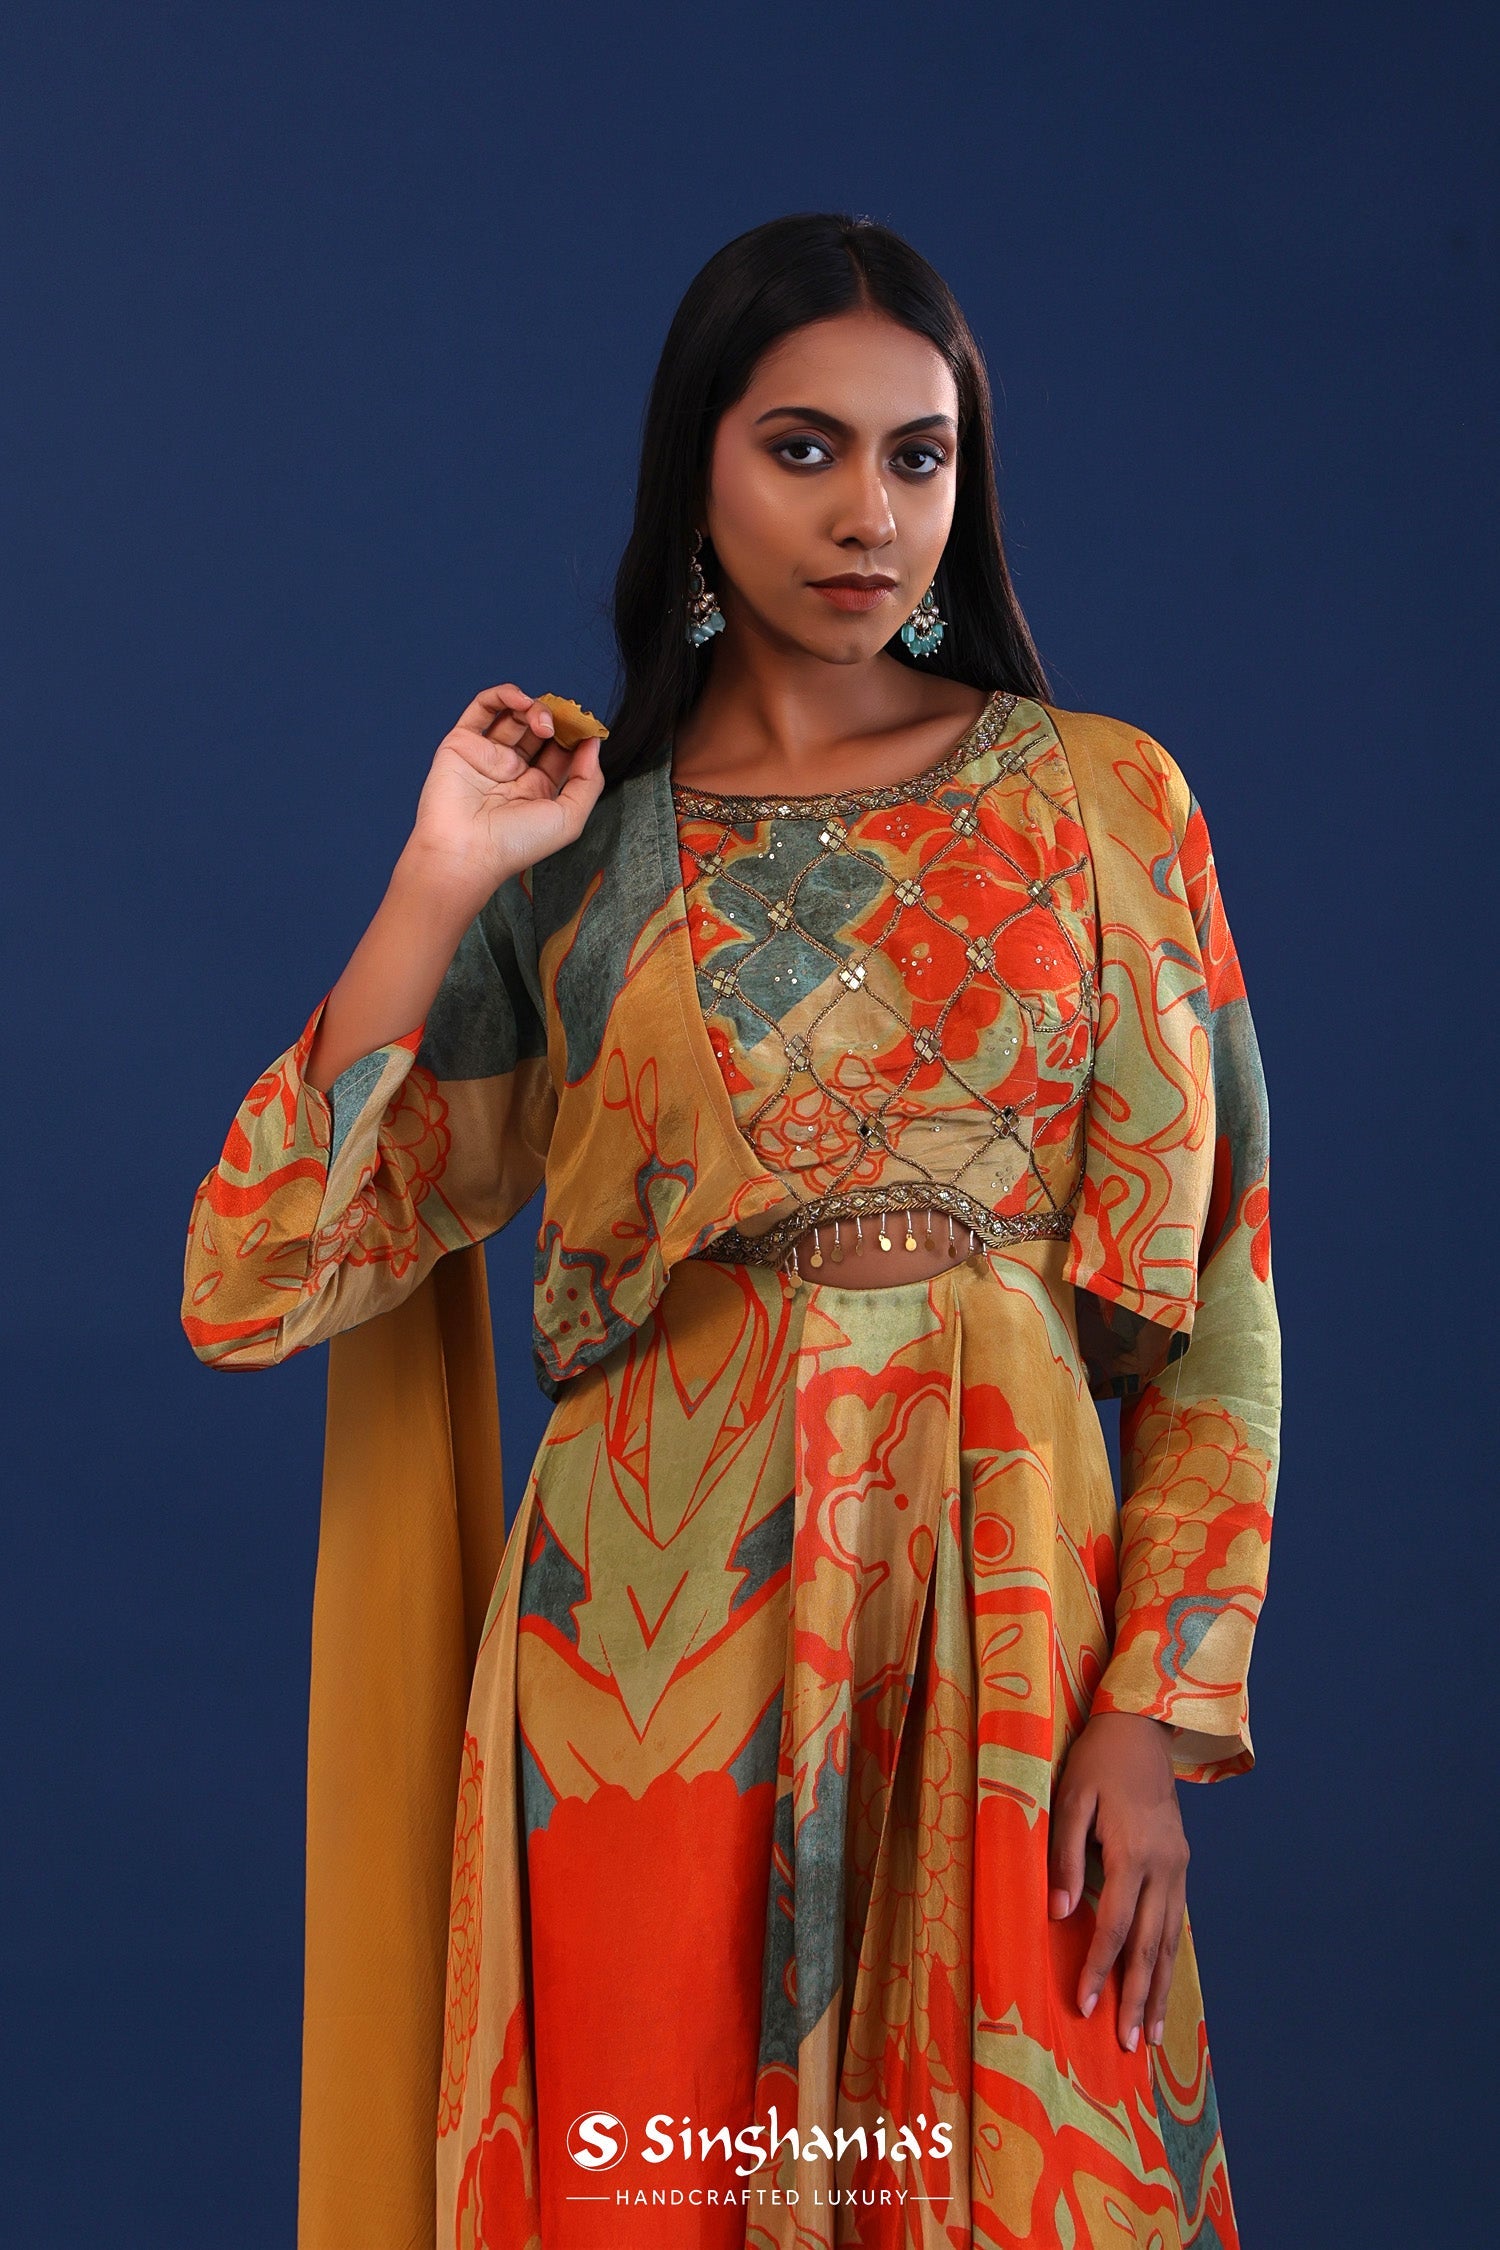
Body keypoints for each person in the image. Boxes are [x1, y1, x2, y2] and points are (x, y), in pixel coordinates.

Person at [183, 213, 1279, 2250]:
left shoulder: (1109, 808)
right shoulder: (579, 852)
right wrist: (439, 878)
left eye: (918, 455)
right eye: (802, 448)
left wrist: (1154, 1707)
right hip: (651, 1660)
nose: (870, 513)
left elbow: (1220, 1289)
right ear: (694, 468)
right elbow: (254, 1281)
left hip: (1007, 1631)